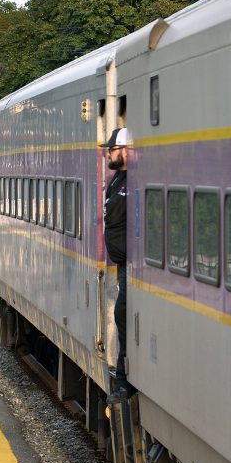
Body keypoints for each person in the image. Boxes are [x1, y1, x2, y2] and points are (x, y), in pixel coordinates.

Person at [100, 126, 130, 389]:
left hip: (132, 266)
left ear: (126, 151)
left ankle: (123, 379)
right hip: (122, 265)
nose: (109, 154)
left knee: (122, 314)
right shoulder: (115, 181)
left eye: (112, 149)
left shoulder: (133, 182)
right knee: (121, 315)